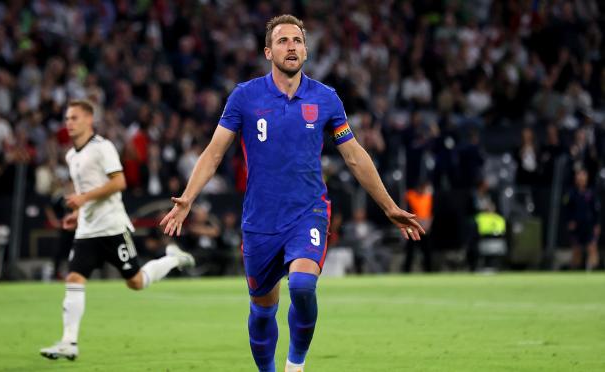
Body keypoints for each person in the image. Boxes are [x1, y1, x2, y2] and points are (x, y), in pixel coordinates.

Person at [159, 15, 424, 372]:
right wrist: (188, 198)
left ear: (306, 49)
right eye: (283, 41)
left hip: (308, 213)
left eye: (297, 40)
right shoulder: (245, 97)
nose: (291, 46)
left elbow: (354, 156)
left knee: (302, 286)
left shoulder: (326, 98)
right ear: (268, 51)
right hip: (261, 221)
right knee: (262, 310)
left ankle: (295, 364)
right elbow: (214, 151)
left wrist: (390, 206)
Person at [40, 100, 195, 361]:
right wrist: (77, 213)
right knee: (74, 279)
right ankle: (69, 342)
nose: (69, 122)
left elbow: (119, 182)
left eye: (74, 118)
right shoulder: (71, 155)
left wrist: (84, 199)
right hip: (87, 230)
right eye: (67, 118)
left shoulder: (103, 148)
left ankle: (173, 259)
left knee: (135, 282)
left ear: (89, 120)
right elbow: (85, 193)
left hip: (112, 226)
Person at [566, 169, 601, 271]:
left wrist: (597, 225)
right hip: (576, 225)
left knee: (592, 247)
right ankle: (575, 270)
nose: (581, 178)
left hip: (589, 225)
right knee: (576, 249)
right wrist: (569, 221)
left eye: (583, 176)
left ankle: (591, 270)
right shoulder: (571, 193)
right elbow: (567, 210)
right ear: (576, 178)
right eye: (579, 176)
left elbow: (596, 211)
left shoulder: (591, 193)